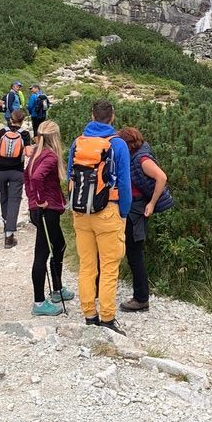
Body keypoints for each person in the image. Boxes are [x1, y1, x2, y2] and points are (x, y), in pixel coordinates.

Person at [68, 99, 131, 335]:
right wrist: (123, 212)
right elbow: (124, 183)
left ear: (92, 116)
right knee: (109, 268)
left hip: (81, 211)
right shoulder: (118, 144)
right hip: (108, 212)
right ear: (112, 116)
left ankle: (89, 315)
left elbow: (70, 176)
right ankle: (107, 318)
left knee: (87, 266)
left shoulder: (78, 142)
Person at [117, 127, 173, 312]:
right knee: (133, 252)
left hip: (136, 210)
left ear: (128, 144)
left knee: (135, 253)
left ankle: (141, 299)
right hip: (133, 208)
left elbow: (161, 177)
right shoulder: (137, 154)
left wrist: (152, 203)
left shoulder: (142, 159)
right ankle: (140, 296)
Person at [24, 120, 74, 316]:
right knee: (42, 254)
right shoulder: (51, 156)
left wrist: (32, 200)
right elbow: (36, 178)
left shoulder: (36, 154)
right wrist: (40, 200)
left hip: (39, 209)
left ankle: (57, 289)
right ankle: (39, 302)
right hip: (47, 210)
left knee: (59, 245)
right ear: (55, 136)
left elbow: (27, 177)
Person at [0, 107, 33, 248]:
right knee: (14, 200)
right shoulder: (25, 134)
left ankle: (6, 222)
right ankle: (9, 236)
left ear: (11, 119)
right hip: (16, 172)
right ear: (22, 120)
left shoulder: (2, 131)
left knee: (4, 196)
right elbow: (28, 153)